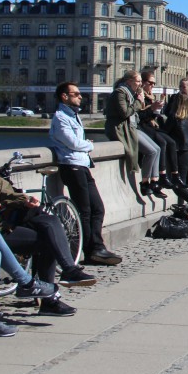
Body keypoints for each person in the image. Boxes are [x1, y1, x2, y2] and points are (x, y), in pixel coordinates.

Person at [0, 134, 94, 318]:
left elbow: (9, 193)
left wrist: (26, 200)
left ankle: (52, 295)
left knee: (48, 235)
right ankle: (28, 285)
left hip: (0, 228)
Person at [50, 81, 122, 266]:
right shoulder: (60, 117)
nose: (80, 96)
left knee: (97, 208)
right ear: (64, 96)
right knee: (85, 211)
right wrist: (89, 145)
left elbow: (76, 141)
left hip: (82, 165)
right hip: (71, 166)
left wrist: (84, 145)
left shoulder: (74, 116)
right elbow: (72, 143)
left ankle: (97, 246)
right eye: (76, 94)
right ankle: (90, 250)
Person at [106, 70, 165, 199]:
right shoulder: (120, 93)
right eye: (138, 81)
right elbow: (125, 113)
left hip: (132, 127)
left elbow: (137, 115)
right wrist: (139, 101)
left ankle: (154, 181)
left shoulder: (132, 93)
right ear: (129, 82)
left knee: (157, 149)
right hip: (123, 129)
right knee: (151, 151)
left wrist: (152, 109)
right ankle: (144, 183)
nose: (140, 84)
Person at [138, 70, 179, 190]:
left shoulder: (150, 96)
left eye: (154, 83)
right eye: (151, 83)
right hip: (144, 127)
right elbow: (140, 115)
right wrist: (152, 109)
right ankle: (161, 176)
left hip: (152, 125)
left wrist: (156, 109)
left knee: (171, 142)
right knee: (161, 143)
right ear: (143, 82)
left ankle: (174, 175)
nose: (152, 86)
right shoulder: (140, 96)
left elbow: (152, 115)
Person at [164, 90, 188, 202]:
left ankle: (182, 207)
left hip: (181, 153)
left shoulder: (175, 117)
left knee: (180, 184)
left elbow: (164, 132)